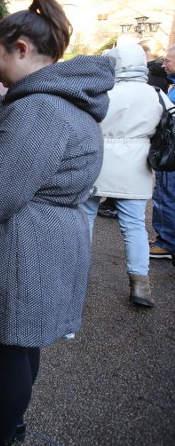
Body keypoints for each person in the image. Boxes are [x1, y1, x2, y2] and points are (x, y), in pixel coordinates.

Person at [0, 0, 114, 446]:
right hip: (42, 239)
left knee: (9, 347)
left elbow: (0, 189)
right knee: (16, 342)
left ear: (20, 49)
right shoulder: (48, 101)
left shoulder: (40, 110)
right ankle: (2, 413)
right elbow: (19, 155)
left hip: (25, 246)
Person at [80, 43, 172, 307]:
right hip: (137, 165)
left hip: (97, 162)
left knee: (85, 220)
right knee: (134, 227)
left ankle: (78, 276)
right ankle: (140, 283)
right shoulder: (155, 94)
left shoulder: (100, 92)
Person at [150, 44, 175, 260]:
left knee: (166, 196)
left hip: (172, 152)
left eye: (168, 61)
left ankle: (166, 243)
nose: (163, 64)